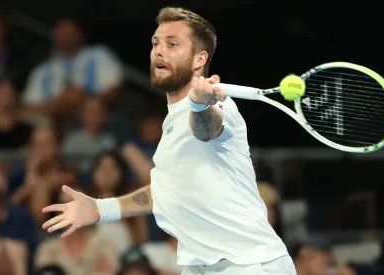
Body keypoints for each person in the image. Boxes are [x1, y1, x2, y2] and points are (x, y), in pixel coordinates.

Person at [41, 7, 295, 275]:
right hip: (202, 266)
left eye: (172, 44)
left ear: (199, 59)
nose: (159, 51)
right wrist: (101, 208)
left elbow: (207, 129)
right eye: (155, 43)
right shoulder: (172, 123)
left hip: (251, 265)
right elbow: (165, 191)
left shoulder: (221, 106)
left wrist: (199, 106)